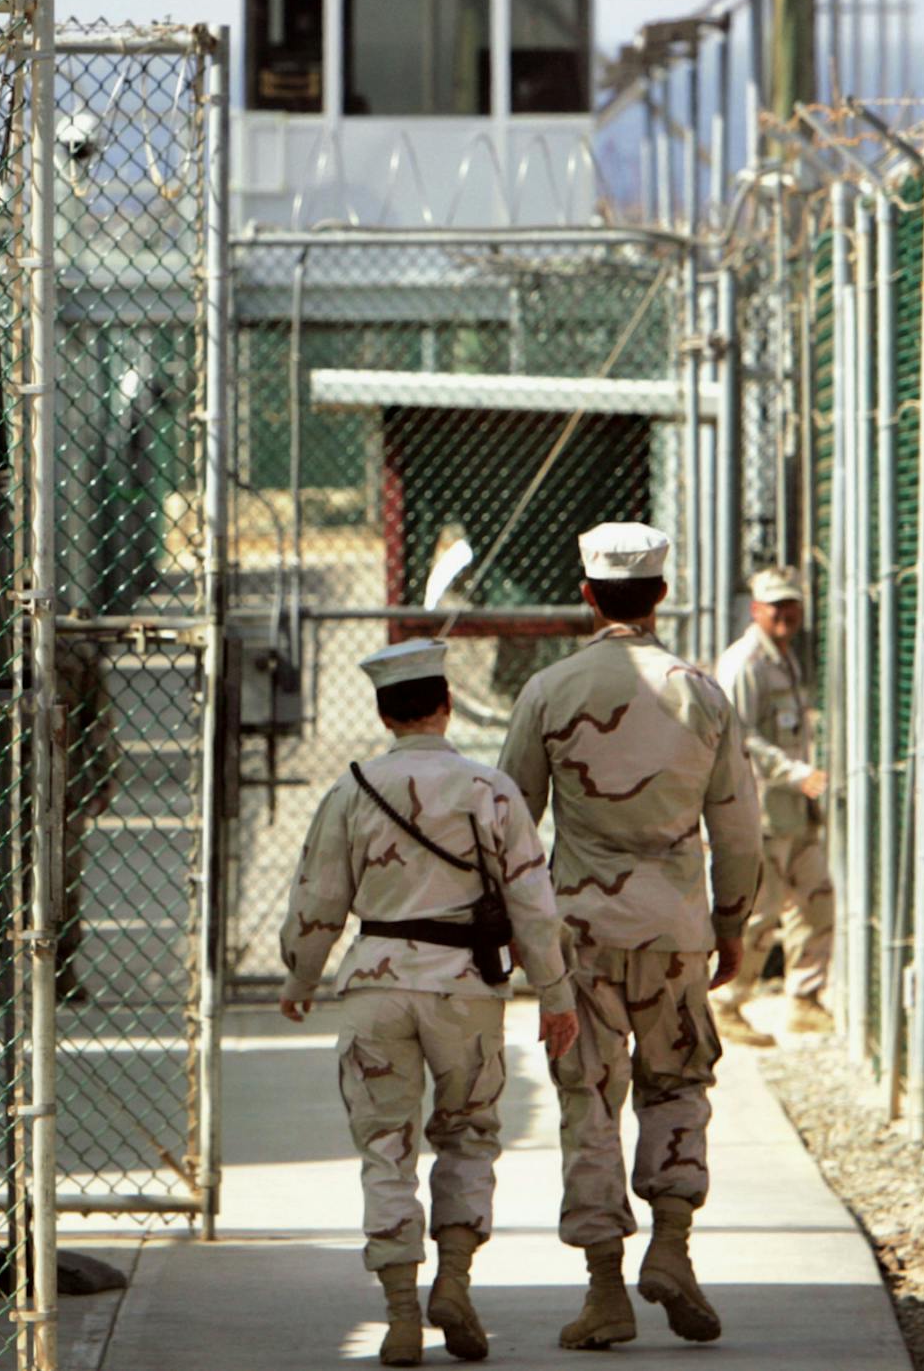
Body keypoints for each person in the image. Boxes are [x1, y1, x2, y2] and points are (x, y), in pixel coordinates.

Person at [496, 524, 762, 1352]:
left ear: (586, 594)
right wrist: (732, 922)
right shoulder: (701, 690)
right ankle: (673, 1246)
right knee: (679, 1084)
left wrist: (520, 940)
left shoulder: (550, 689)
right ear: (662, 593)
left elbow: (510, 824)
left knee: (589, 1097)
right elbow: (741, 829)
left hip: (579, 933)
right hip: (676, 926)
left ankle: (606, 1290)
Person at [280, 638, 580, 1366]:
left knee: (385, 1148)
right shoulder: (493, 791)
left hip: (377, 987)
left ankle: (400, 1315)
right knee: (469, 1134)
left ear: (385, 714)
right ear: (445, 706)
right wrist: (554, 993)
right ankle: (454, 1279)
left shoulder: (352, 789)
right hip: (466, 990)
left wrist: (301, 978)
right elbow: (534, 905)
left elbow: (319, 900)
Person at [711, 566, 835, 1045]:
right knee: (760, 914)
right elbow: (741, 736)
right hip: (762, 808)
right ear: (756, 609)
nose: (785, 615)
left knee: (817, 898)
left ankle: (804, 999)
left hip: (793, 811)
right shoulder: (746, 664)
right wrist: (795, 773)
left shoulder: (783, 657)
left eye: (792, 605)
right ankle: (726, 1002)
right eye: (775, 606)